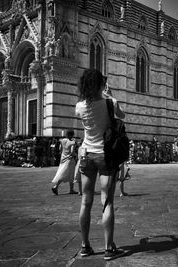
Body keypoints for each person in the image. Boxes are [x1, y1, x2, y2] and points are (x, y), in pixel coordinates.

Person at [75, 69, 126, 260]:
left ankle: (85, 246)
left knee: (85, 201)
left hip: (86, 155)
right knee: (107, 201)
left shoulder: (79, 106)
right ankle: (108, 248)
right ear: (101, 85)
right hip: (105, 156)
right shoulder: (110, 102)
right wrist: (109, 96)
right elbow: (122, 116)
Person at [51, 130, 77, 195]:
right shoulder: (72, 142)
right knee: (70, 174)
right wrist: (75, 155)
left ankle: (70, 189)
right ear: (72, 135)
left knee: (63, 172)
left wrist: (64, 154)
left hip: (63, 158)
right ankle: (56, 186)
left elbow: (60, 149)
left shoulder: (62, 141)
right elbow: (72, 151)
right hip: (70, 159)